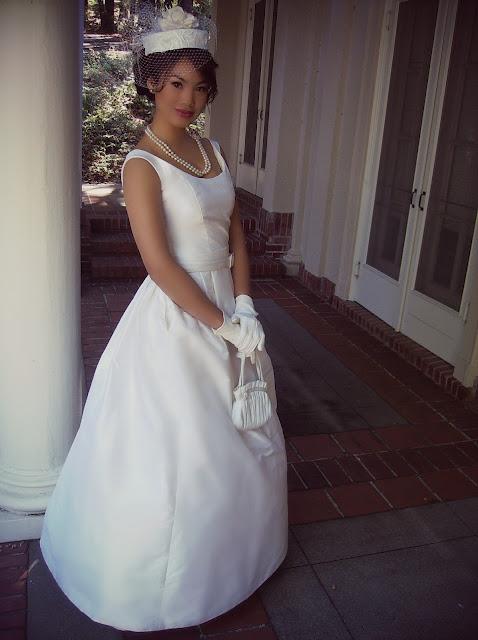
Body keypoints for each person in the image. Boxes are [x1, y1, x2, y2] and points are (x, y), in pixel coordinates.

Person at [39, 6, 288, 633]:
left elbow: (234, 232)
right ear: (151, 81)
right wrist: (222, 324)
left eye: (200, 85)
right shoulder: (141, 165)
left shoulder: (211, 150)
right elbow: (159, 264)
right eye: (176, 82)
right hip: (179, 315)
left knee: (242, 429)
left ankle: (243, 556)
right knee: (185, 449)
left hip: (229, 306)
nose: (190, 97)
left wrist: (247, 303)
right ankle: (169, 584)